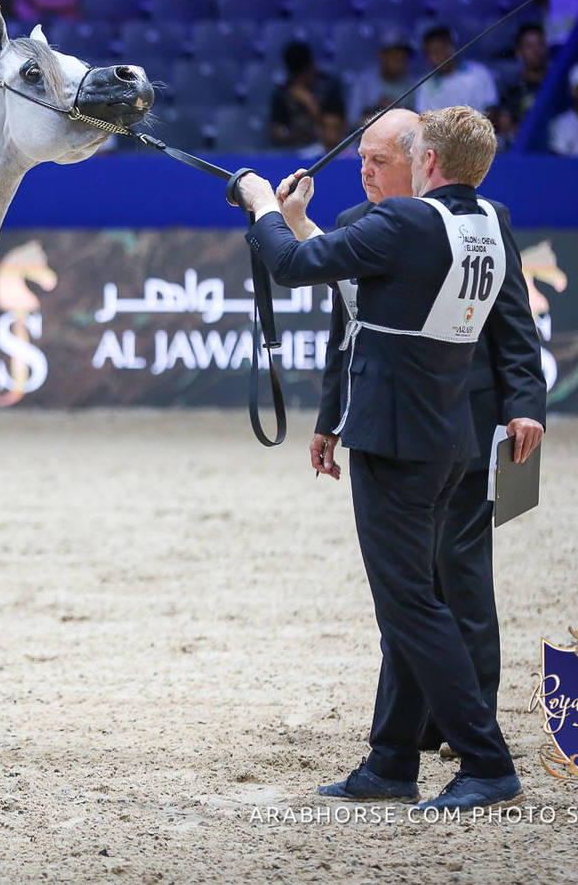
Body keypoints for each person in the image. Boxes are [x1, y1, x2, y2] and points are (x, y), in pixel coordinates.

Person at [232, 106, 542, 811]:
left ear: (426, 160)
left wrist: (259, 205)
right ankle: (392, 759)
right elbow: (364, 296)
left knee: (410, 602)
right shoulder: (488, 220)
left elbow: (291, 264)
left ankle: (486, 757)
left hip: (399, 437)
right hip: (443, 431)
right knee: (414, 599)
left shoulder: (406, 223)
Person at [268, 41, 345, 149]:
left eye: (302, 75)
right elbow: (276, 130)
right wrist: (292, 136)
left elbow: (333, 138)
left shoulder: (329, 88)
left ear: (310, 67)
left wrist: (310, 105)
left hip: (323, 151)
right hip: (292, 151)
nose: (299, 81)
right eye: (296, 77)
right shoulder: (284, 92)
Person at [413, 26, 497, 116]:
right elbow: (423, 117)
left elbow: (491, 109)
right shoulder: (425, 84)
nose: (437, 57)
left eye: (441, 50)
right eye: (431, 53)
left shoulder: (479, 73)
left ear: (452, 47)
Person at [348, 30, 414, 125]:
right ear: (382, 56)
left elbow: (417, 124)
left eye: (403, 57)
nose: (399, 61)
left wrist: (395, 109)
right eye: (394, 56)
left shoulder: (412, 84)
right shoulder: (364, 82)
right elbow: (352, 121)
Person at [496, 24, 548, 139]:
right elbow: (505, 127)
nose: (537, 51)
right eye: (530, 46)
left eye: (540, 44)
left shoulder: (556, 84)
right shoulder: (511, 89)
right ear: (519, 52)